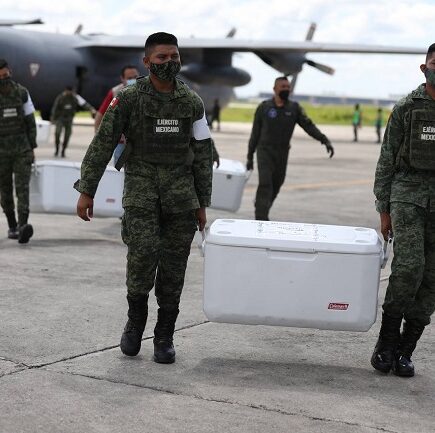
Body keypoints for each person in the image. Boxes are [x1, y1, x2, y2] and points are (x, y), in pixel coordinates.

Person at [75, 32, 213, 364]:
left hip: (181, 196)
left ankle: (164, 336)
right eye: (162, 57)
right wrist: (87, 189)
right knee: (142, 257)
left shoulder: (192, 102)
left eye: (174, 56)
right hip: (141, 190)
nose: (169, 62)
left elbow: (203, 153)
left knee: (174, 268)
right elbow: (103, 142)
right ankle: (135, 324)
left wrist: (201, 202)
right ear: (147, 61)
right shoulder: (128, 98)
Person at [371, 43, 435, 378]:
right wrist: (384, 209)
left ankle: (405, 350)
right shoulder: (407, 107)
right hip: (407, 196)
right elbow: (386, 158)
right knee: (410, 268)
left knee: (431, 278)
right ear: (424, 68)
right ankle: (385, 343)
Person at [246, 76, 334, 221]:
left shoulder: (294, 108)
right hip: (265, 152)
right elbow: (255, 134)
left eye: (288, 87)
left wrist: (324, 140)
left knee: (277, 184)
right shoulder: (264, 108)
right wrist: (250, 157)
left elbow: (308, 126)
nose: (286, 89)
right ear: (275, 89)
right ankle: (261, 218)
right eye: (283, 87)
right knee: (265, 184)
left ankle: (262, 206)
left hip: (282, 153)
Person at [0, 58, 36, 244]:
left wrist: (32, 147)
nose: (4, 80)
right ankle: (12, 225)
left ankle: (23, 226)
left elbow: (30, 122)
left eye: (5, 75)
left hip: (22, 150)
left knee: (23, 189)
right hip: (1, 153)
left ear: (10, 72)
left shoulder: (22, 93)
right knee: (5, 190)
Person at [51, 86, 96, 157]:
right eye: (68, 92)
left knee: (67, 135)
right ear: (65, 91)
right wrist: (53, 118)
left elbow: (84, 104)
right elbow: (55, 108)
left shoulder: (75, 97)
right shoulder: (61, 97)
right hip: (60, 118)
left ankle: (63, 150)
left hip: (69, 119)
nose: (69, 93)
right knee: (57, 133)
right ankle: (57, 149)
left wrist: (91, 109)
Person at [94, 65, 140, 132]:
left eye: (135, 77)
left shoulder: (147, 90)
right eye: (129, 78)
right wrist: (97, 133)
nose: (133, 80)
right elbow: (101, 114)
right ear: (122, 79)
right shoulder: (115, 93)